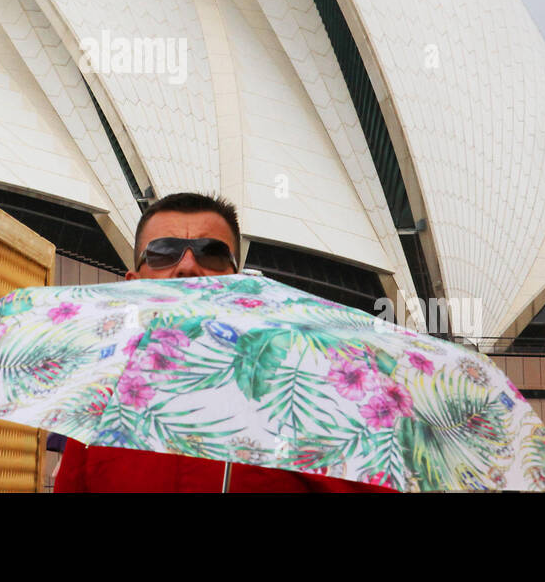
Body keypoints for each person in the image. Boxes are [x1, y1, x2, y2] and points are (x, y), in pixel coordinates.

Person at [53, 191, 397, 493]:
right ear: (133, 284)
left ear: (239, 281)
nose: (187, 266)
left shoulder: (309, 401)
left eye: (211, 254)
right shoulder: (99, 411)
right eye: (162, 253)